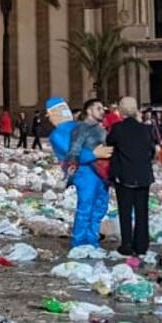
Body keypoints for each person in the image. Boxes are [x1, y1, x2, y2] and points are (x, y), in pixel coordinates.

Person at [49, 96, 110, 249]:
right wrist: (95, 154)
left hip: (100, 172)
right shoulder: (57, 134)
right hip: (84, 172)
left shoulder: (79, 126)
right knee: (86, 206)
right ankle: (80, 241)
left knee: (100, 205)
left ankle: (92, 239)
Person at [106, 96, 157, 257]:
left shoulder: (117, 128)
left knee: (125, 211)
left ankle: (127, 244)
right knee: (142, 211)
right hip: (143, 176)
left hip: (125, 176)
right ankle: (141, 245)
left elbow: (109, 143)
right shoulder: (146, 129)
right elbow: (152, 151)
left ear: (121, 111)